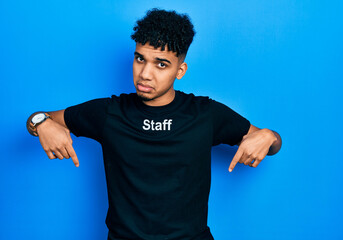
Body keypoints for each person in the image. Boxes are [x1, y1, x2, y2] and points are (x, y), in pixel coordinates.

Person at [26, 8, 282, 240]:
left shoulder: (205, 114)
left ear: (180, 71)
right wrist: (42, 124)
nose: (145, 74)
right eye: (140, 59)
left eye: (161, 64)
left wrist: (269, 136)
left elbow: (271, 143)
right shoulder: (108, 113)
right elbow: (37, 118)